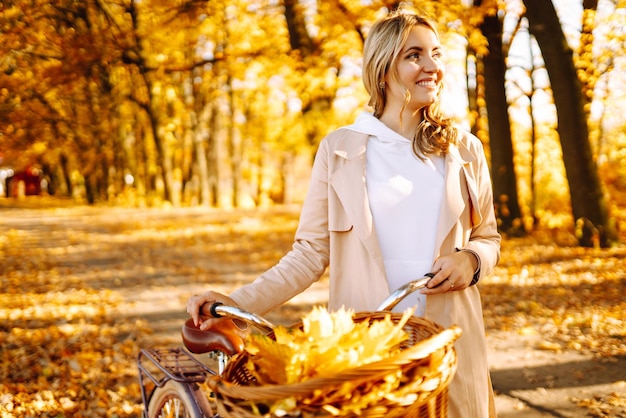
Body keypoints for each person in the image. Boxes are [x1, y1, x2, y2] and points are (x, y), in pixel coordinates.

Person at [187, 7, 501, 418]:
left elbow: (488, 238)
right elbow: (309, 254)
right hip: (364, 351)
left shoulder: (464, 149)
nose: (432, 66)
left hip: (448, 347)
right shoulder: (339, 150)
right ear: (382, 68)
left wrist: (472, 260)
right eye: (414, 55)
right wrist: (237, 302)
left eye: (436, 54)